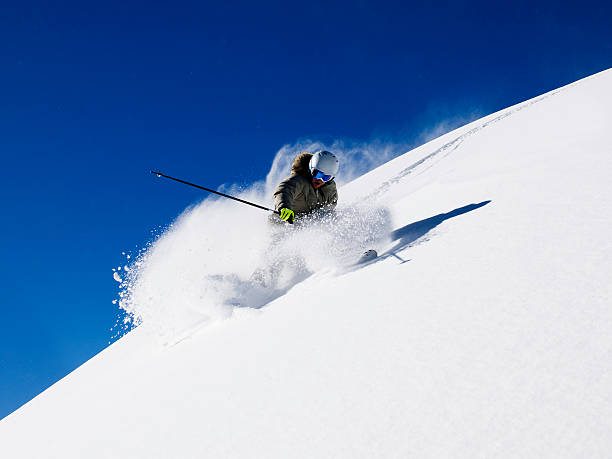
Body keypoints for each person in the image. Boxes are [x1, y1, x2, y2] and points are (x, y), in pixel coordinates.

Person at [273, 150, 339, 224]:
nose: (319, 179)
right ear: (310, 168)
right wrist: (283, 207)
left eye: (326, 177)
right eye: (317, 174)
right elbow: (284, 190)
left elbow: (330, 212)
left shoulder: (330, 190)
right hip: (283, 225)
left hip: (307, 228)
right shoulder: (299, 180)